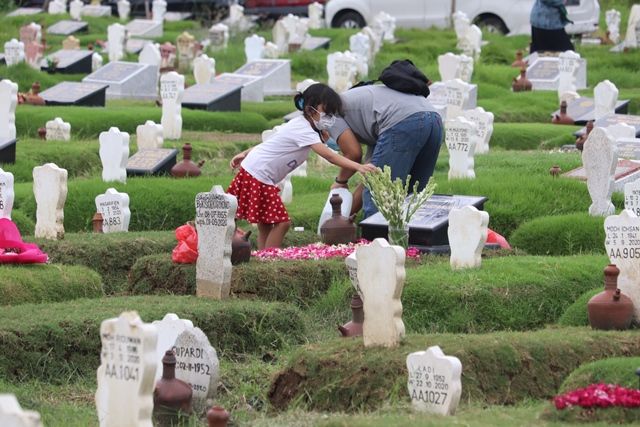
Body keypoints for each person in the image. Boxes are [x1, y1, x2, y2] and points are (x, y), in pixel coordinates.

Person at [227, 83, 377, 249]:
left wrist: (246, 153)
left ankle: (264, 254)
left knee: (266, 223)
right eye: (326, 112)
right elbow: (330, 156)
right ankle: (270, 258)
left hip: (256, 171)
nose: (329, 117)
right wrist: (359, 167)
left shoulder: (303, 126)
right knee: (282, 223)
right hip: (259, 174)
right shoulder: (303, 129)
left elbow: (272, 141)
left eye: (332, 113)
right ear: (310, 108)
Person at [326, 83, 443, 219]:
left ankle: (374, 238)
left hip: (402, 121)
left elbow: (353, 153)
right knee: (414, 197)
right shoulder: (370, 119)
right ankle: (412, 238)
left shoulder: (328, 114)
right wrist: (343, 218)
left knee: (380, 197)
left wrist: (340, 182)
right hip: (434, 120)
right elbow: (369, 176)